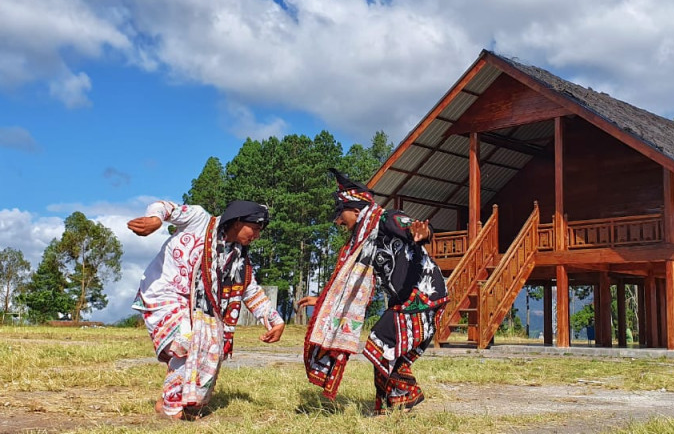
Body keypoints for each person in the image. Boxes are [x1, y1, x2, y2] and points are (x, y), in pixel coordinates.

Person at [301, 168, 448, 414]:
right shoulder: (363, 243)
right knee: (386, 354)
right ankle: (394, 408)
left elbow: (413, 228)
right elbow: (354, 285)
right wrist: (322, 300)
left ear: (357, 211)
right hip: (403, 302)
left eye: (340, 213)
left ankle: (408, 395)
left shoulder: (386, 219)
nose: (338, 221)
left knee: (379, 345)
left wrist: (421, 233)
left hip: (422, 296)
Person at [129, 200, 285, 420]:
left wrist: (274, 320)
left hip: (196, 307)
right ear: (239, 220)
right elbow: (165, 207)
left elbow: (249, 289)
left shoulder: (237, 257)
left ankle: (171, 401)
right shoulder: (199, 219)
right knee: (188, 340)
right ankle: (170, 408)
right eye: (256, 228)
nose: (257, 235)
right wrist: (155, 220)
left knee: (204, 345)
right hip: (163, 292)